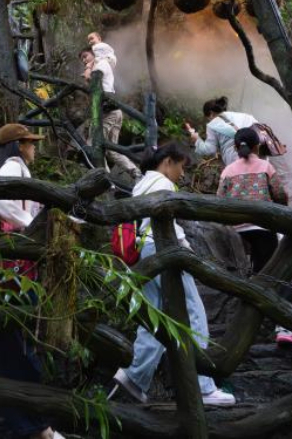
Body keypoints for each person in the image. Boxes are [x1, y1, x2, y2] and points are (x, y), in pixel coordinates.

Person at [109, 143, 235, 406]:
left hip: (145, 253)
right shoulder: (164, 185)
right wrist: (188, 253)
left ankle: (136, 376)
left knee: (155, 314)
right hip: (164, 250)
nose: (182, 174)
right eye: (181, 166)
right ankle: (203, 387)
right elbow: (170, 227)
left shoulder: (141, 184)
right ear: (168, 161)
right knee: (193, 312)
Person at [0, 123, 65, 439]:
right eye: (30, 143)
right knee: (15, 333)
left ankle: (24, 422)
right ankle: (34, 427)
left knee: (3, 337)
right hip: (12, 262)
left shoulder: (11, 167)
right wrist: (28, 224)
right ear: (18, 145)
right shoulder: (12, 167)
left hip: (10, 260)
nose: (34, 148)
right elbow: (1, 201)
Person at [218, 127, 292, 344]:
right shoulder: (266, 166)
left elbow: (219, 200)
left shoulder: (227, 171)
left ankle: (246, 328)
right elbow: (280, 194)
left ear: (236, 148)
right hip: (264, 231)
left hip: (236, 234)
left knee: (251, 277)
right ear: (257, 146)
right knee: (274, 276)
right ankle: (282, 328)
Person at [80, 33, 141, 181]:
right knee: (112, 150)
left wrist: (88, 68)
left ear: (94, 54)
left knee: (93, 143)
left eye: (85, 56)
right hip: (113, 111)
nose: (84, 60)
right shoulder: (102, 64)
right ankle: (135, 172)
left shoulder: (101, 65)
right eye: (82, 59)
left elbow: (92, 79)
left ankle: (105, 180)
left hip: (109, 112)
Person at [186, 96, 259, 168]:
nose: (209, 121)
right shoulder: (241, 116)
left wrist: (197, 140)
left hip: (235, 160)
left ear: (211, 113)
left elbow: (209, 150)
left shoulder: (213, 124)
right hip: (257, 155)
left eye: (208, 118)